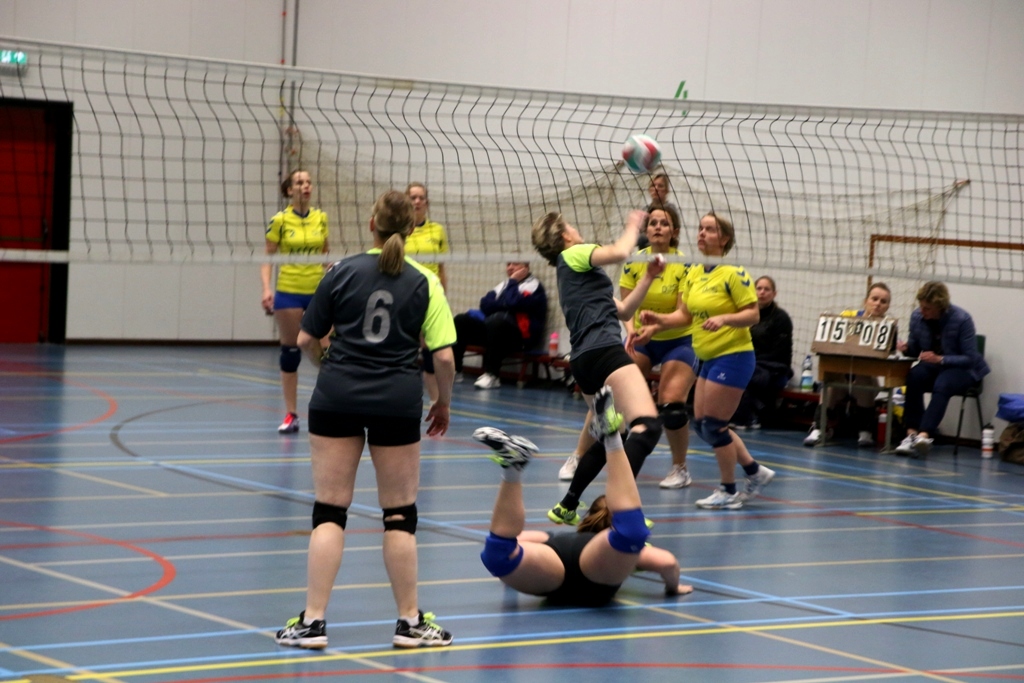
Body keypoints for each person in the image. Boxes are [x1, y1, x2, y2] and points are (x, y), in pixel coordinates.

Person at [275, 190, 456, 650]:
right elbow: (445, 358)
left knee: (329, 511)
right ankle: (409, 623)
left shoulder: (340, 272)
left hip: (336, 395)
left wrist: (328, 364)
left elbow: (305, 339)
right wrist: (442, 403)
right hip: (397, 400)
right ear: (411, 228)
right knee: (399, 516)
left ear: (371, 223)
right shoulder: (425, 281)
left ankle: (312, 622)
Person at [474, 386, 693, 606]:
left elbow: (513, 542)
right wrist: (673, 587)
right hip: (594, 578)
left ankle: (513, 467)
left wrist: (515, 571)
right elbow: (667, 562)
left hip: (550, 568)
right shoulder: (631, 554)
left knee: (498, 555)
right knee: (632, 534)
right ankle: (611, 438)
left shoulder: (551, 538)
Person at [532, 209, 666, 525]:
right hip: (604, 353)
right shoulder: (575, 253)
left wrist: (648, 277)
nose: (576, 229)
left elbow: (624, 310)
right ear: (565, 235)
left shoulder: (571, 275)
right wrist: (633, 224)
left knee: (612, 436)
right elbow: (619, 251)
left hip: (584, 362)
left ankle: (567, 505)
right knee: (648, 428)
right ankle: (621, 511)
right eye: (571, 225)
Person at [641, 211, 775, 510]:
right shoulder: (694, 272)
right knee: (703, 426)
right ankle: (754, 471)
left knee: (714, 425)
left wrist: (724, 318)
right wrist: (657, 321)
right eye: (701, 228)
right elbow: (684, 316)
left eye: (710, 230)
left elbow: (753, 314)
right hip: (707, 356)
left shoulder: (733, 272)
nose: (702, 233)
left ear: (724, 239)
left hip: (733, 356)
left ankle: (728, 490)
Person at [560, 207, 698, 490]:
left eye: (664, 223)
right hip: (642, 340)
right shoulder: (635, 262)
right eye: (653, 222)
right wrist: (633, 330)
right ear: (646, 230)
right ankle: (579, 455)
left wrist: (656, 325)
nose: (657, 227)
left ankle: (680, 467)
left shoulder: (686, 264)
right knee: (608, 396)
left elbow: (684, 315)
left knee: (671, 404)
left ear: (674, 231)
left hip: (677, 340)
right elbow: (624, 309)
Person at [260, 170, 330, 434]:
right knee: (290, 353)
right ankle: (291, 414)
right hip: (289, 291)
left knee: (329, 352)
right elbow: (267, 258)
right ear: (290, 190)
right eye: (300, 182)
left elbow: (325, 255)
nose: (306, 186)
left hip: (317, 292)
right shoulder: (279, 220)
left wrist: (333, 274)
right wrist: (267, 289)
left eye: (309, 182)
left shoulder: (321, 218)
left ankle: (330, 407)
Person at [894, 281, 989, 458]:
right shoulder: (917, 317)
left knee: (943, 384)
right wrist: (906, 348)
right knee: (914, 376)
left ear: (940, 307)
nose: (922, 311)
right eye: (921, 306)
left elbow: (971, 358)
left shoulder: (962, 319)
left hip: (964, 369)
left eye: (927, 308)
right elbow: (915, 349)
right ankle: (911, 434)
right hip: (934, 366)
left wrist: (941, 359)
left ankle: (924, 436)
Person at [803, 283, 893, 448]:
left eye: (883, 301)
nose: (878, 304)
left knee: (864, 380)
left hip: (866, 380)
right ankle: (818, 428)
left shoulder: (888, 327)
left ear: (888, 306)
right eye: (874, 299)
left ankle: (865, 431)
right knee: (829, 382)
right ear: (865, 301)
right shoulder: (848, 318)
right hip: (842, 376)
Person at [452, 261, 548, 390]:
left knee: (497, 321)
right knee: (461, 320)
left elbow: (514, 302)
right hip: (493, 332)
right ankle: (455, 370)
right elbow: (485, 304)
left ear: (525, 267)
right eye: (508, 264)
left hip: (519, 338)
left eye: (515, 264)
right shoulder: (503, 285)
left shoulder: (533, 286)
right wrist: (505, 304)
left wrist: (513, 282)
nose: (510, 267)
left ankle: (492, 375)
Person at [405, 182, 450, 404]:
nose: (417, 201)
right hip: (405, 296)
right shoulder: (400, 231)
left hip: (430, 296)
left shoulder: (437, 231)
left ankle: (435, 402)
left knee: (431, 351)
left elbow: (441, 269)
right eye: (413, 197)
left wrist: (443, 298)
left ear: (426, 202)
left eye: (421, 197)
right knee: (405, 349)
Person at [731, 276, 793, 430]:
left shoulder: (781, 318)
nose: (762, 292)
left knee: (747, 374)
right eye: (759, 288)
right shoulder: (747, 315)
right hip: (749, 361)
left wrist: (750, 361)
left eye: (767, 289)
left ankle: (747, 417)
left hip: (774, 366)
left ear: (774, 293)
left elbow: (780, 352)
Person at [636, 173, 680, 251]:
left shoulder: (671, 210)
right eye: (653, 185)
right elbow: (638, 234)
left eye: (660, 186)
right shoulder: (645, 210)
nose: (656, 188)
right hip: (646, 251)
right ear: (649, 189)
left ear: (666, 190)